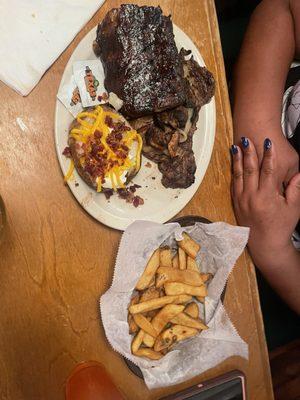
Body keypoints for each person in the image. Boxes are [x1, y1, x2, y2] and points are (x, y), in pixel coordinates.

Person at [231, 0, 300, 315]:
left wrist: (274, 252)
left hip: (266, 264)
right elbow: (282, 7)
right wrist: (258, 127)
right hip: (256, 98)